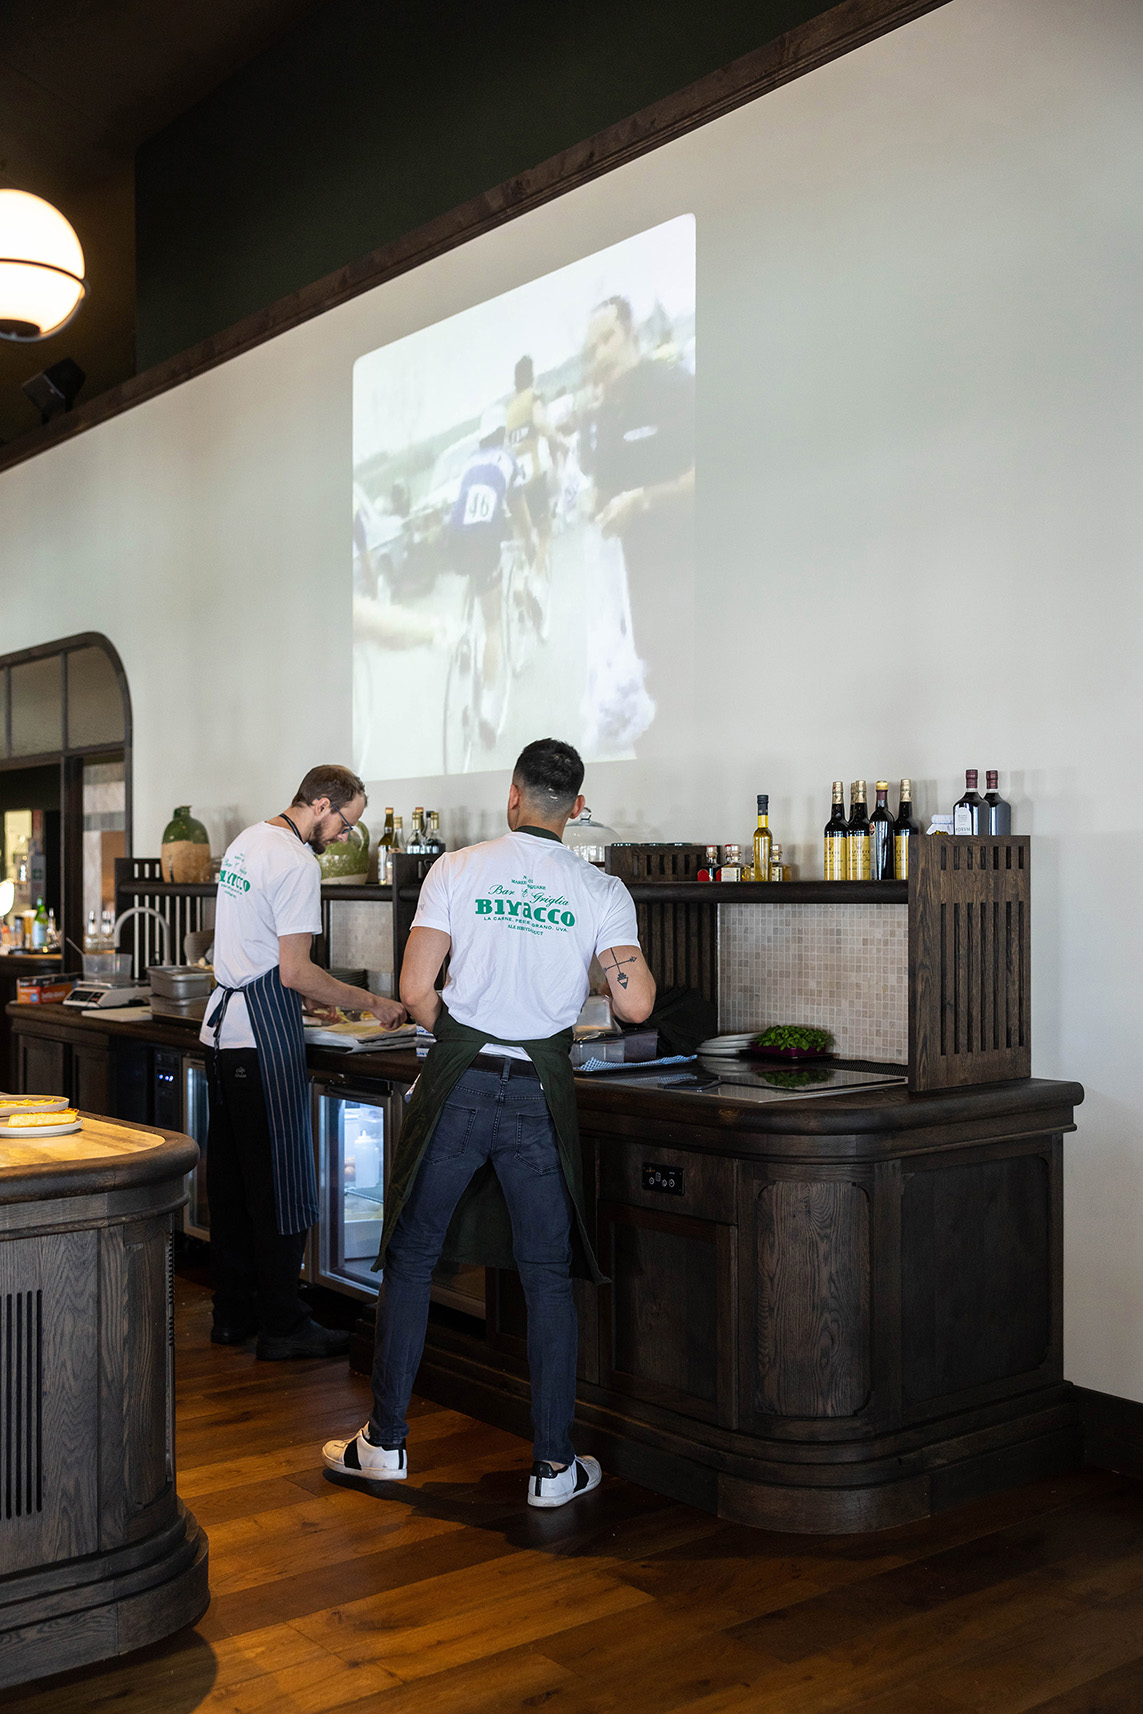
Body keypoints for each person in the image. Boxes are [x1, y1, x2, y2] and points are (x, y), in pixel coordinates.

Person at [322, 738, 655, 1507]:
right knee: (546, 1277)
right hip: (539, 1091)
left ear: (513, 795)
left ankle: (384, 1446)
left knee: (411, 1258)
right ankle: (553, 1469)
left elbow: (415, 990)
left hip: (460, 1082)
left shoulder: (457, 868)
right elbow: (636, 1005)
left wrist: (466, 1033)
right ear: (576, 807)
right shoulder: (598, 889)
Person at [202, 764, 406, 1358]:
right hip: (259, 1039)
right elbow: (295, 971)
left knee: (233, 1185)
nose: (345, 836)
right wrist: (374, 1003)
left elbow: (258, 953)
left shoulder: (248, 841)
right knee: (279, 1183)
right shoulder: (296, 862)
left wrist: (307, 997)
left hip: (223, 1035)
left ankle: (231, 1315)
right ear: (321, 805)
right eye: (346, 822)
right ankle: (283, 1326)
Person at [578, 295, 695, 739]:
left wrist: (642, 499)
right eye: (592, 349)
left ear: (632, 334)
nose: (600, 354)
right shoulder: (608, 415)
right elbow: (603, 489)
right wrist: (596, 504)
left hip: (694, 579)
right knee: (654, 723)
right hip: (641, 601)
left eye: (607, 339)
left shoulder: (673, 386)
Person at [447, 402, 537, 746]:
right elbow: (520, 511)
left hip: (456, 538)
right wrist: (529, 541)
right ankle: (486, 709)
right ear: (502, 434)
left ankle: (461, 640)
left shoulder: (470, 462)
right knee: (493, 624)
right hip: (485, 540)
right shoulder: (508, 459)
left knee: (470, 575)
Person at [505, 355, 562, 636]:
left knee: (524, 539)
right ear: (532, 377)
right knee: (545, 533)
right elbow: (541, 424)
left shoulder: (510, 408)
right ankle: (533, 583)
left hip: (514, 483)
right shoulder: (534, 398)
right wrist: (557, 438)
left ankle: (519, 582)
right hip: (533, 478)